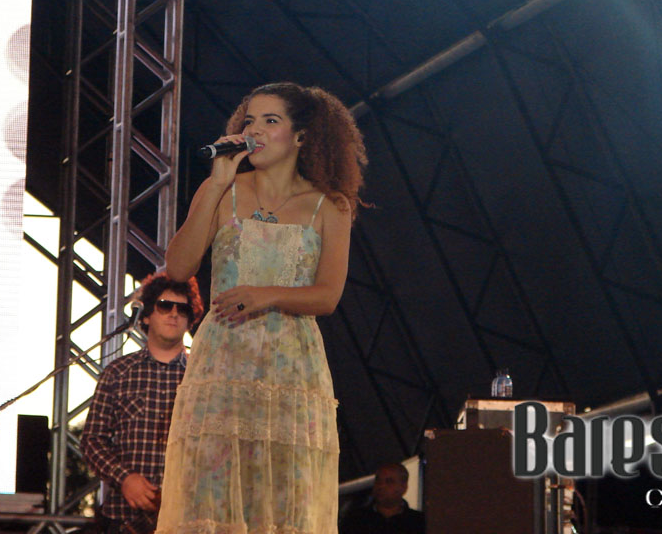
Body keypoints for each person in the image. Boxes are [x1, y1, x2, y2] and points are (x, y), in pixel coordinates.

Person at [155, 82, 367, 534]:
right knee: (213, 495)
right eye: (250, 121)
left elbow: (328, 295)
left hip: (290, 371)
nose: (256, 130)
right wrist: (216, 184)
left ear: (302, 137)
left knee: (285, 503)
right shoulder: (224, 191)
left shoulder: (330, 205)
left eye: (271, 121)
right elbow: (179, 265)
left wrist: (265, 294)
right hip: (224, 364)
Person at [82, 271, 204, 534]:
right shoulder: (118, 372)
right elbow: (92, 440)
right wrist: (124, 478)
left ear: (190, 320)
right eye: (164, 306)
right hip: (124, 519)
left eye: (182, 309)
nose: (174, 313)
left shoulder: (204, 377)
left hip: (186, 519)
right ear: (146, 315)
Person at [340, 463, 425, 534]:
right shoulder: (356, 520)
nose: (381, 486)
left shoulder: (417, 523)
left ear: (403, 487)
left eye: (389, 482)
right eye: (378, 481)